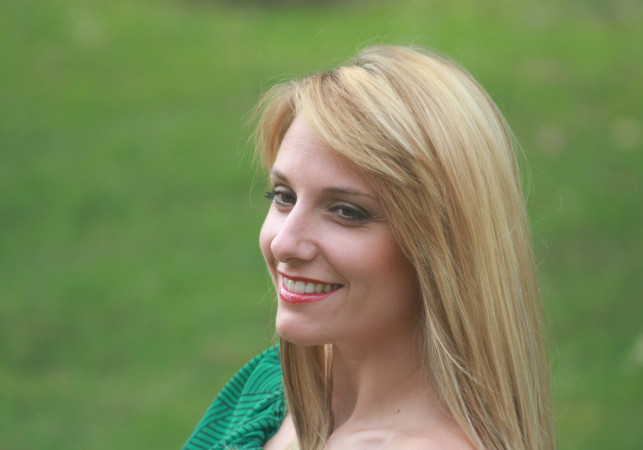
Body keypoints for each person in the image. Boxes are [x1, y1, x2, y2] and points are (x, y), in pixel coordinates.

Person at [184, 45, 554, 450]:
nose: (284, 243)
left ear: (440, 247)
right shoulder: (268, 388)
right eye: (284, 196)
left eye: (346, 211)